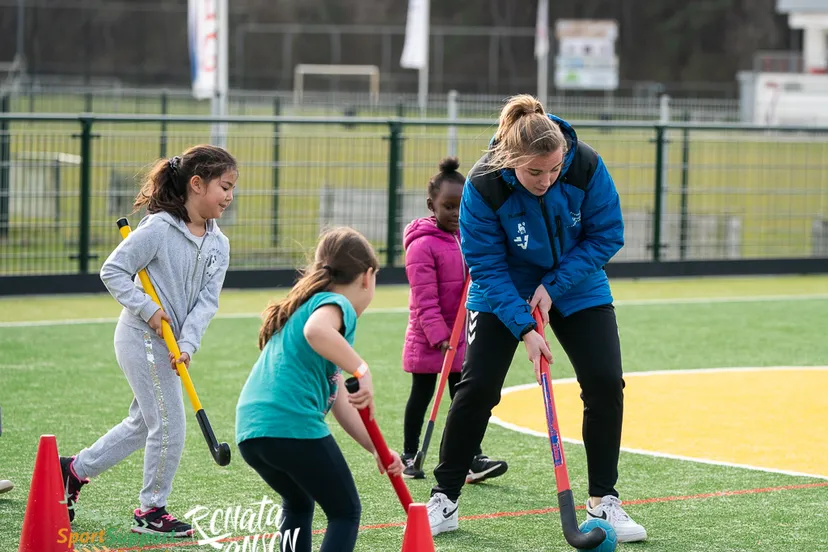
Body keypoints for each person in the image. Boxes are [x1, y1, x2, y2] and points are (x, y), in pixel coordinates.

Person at [425, 95, 647, 543]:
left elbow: (608, 234)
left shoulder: (585, 164)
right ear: (512, 162)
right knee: (478, 388)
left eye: (554, 169)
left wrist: (554, 285)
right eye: (534, 172)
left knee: (605, 382)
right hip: (503, 287)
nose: (546, 180)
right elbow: (486, 265)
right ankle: (444, 498)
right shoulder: (484, 184)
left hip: (576, 281)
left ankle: (604, 499)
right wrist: (524, 326)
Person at [60, 145, 237, 536]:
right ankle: (151, 510)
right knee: (170, 426)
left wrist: (187, 344)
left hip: (173, 346)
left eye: (231, 189)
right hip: (140, 337)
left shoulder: (219, 245)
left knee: (143, 424)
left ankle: (73, 470)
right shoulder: (158, 228)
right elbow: (113, 271)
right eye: (224, 187)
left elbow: (207, 303)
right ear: (196, 184)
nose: (229, 196)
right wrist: (149, 310)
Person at [236, 227, 404, 552]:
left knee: (299, 502)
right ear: (367, 277)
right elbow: (316, 331)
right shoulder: (335, 304)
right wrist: (362, 369)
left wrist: (378, 450)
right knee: (345, 512)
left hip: (252, 431)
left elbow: (340, 401)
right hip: (291, 425)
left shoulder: (305, 307)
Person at [401, 157, 507, 483]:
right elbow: (424, 299)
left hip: (461, 333)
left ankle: (471, 456)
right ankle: (409, 453)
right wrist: (439, 335)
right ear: (431, 205)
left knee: (464, 397)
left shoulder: (467, 237)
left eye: (461, 206)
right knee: (422, 394)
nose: (456, 213)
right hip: (429, 336)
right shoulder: (421, 246)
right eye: (448, 206)